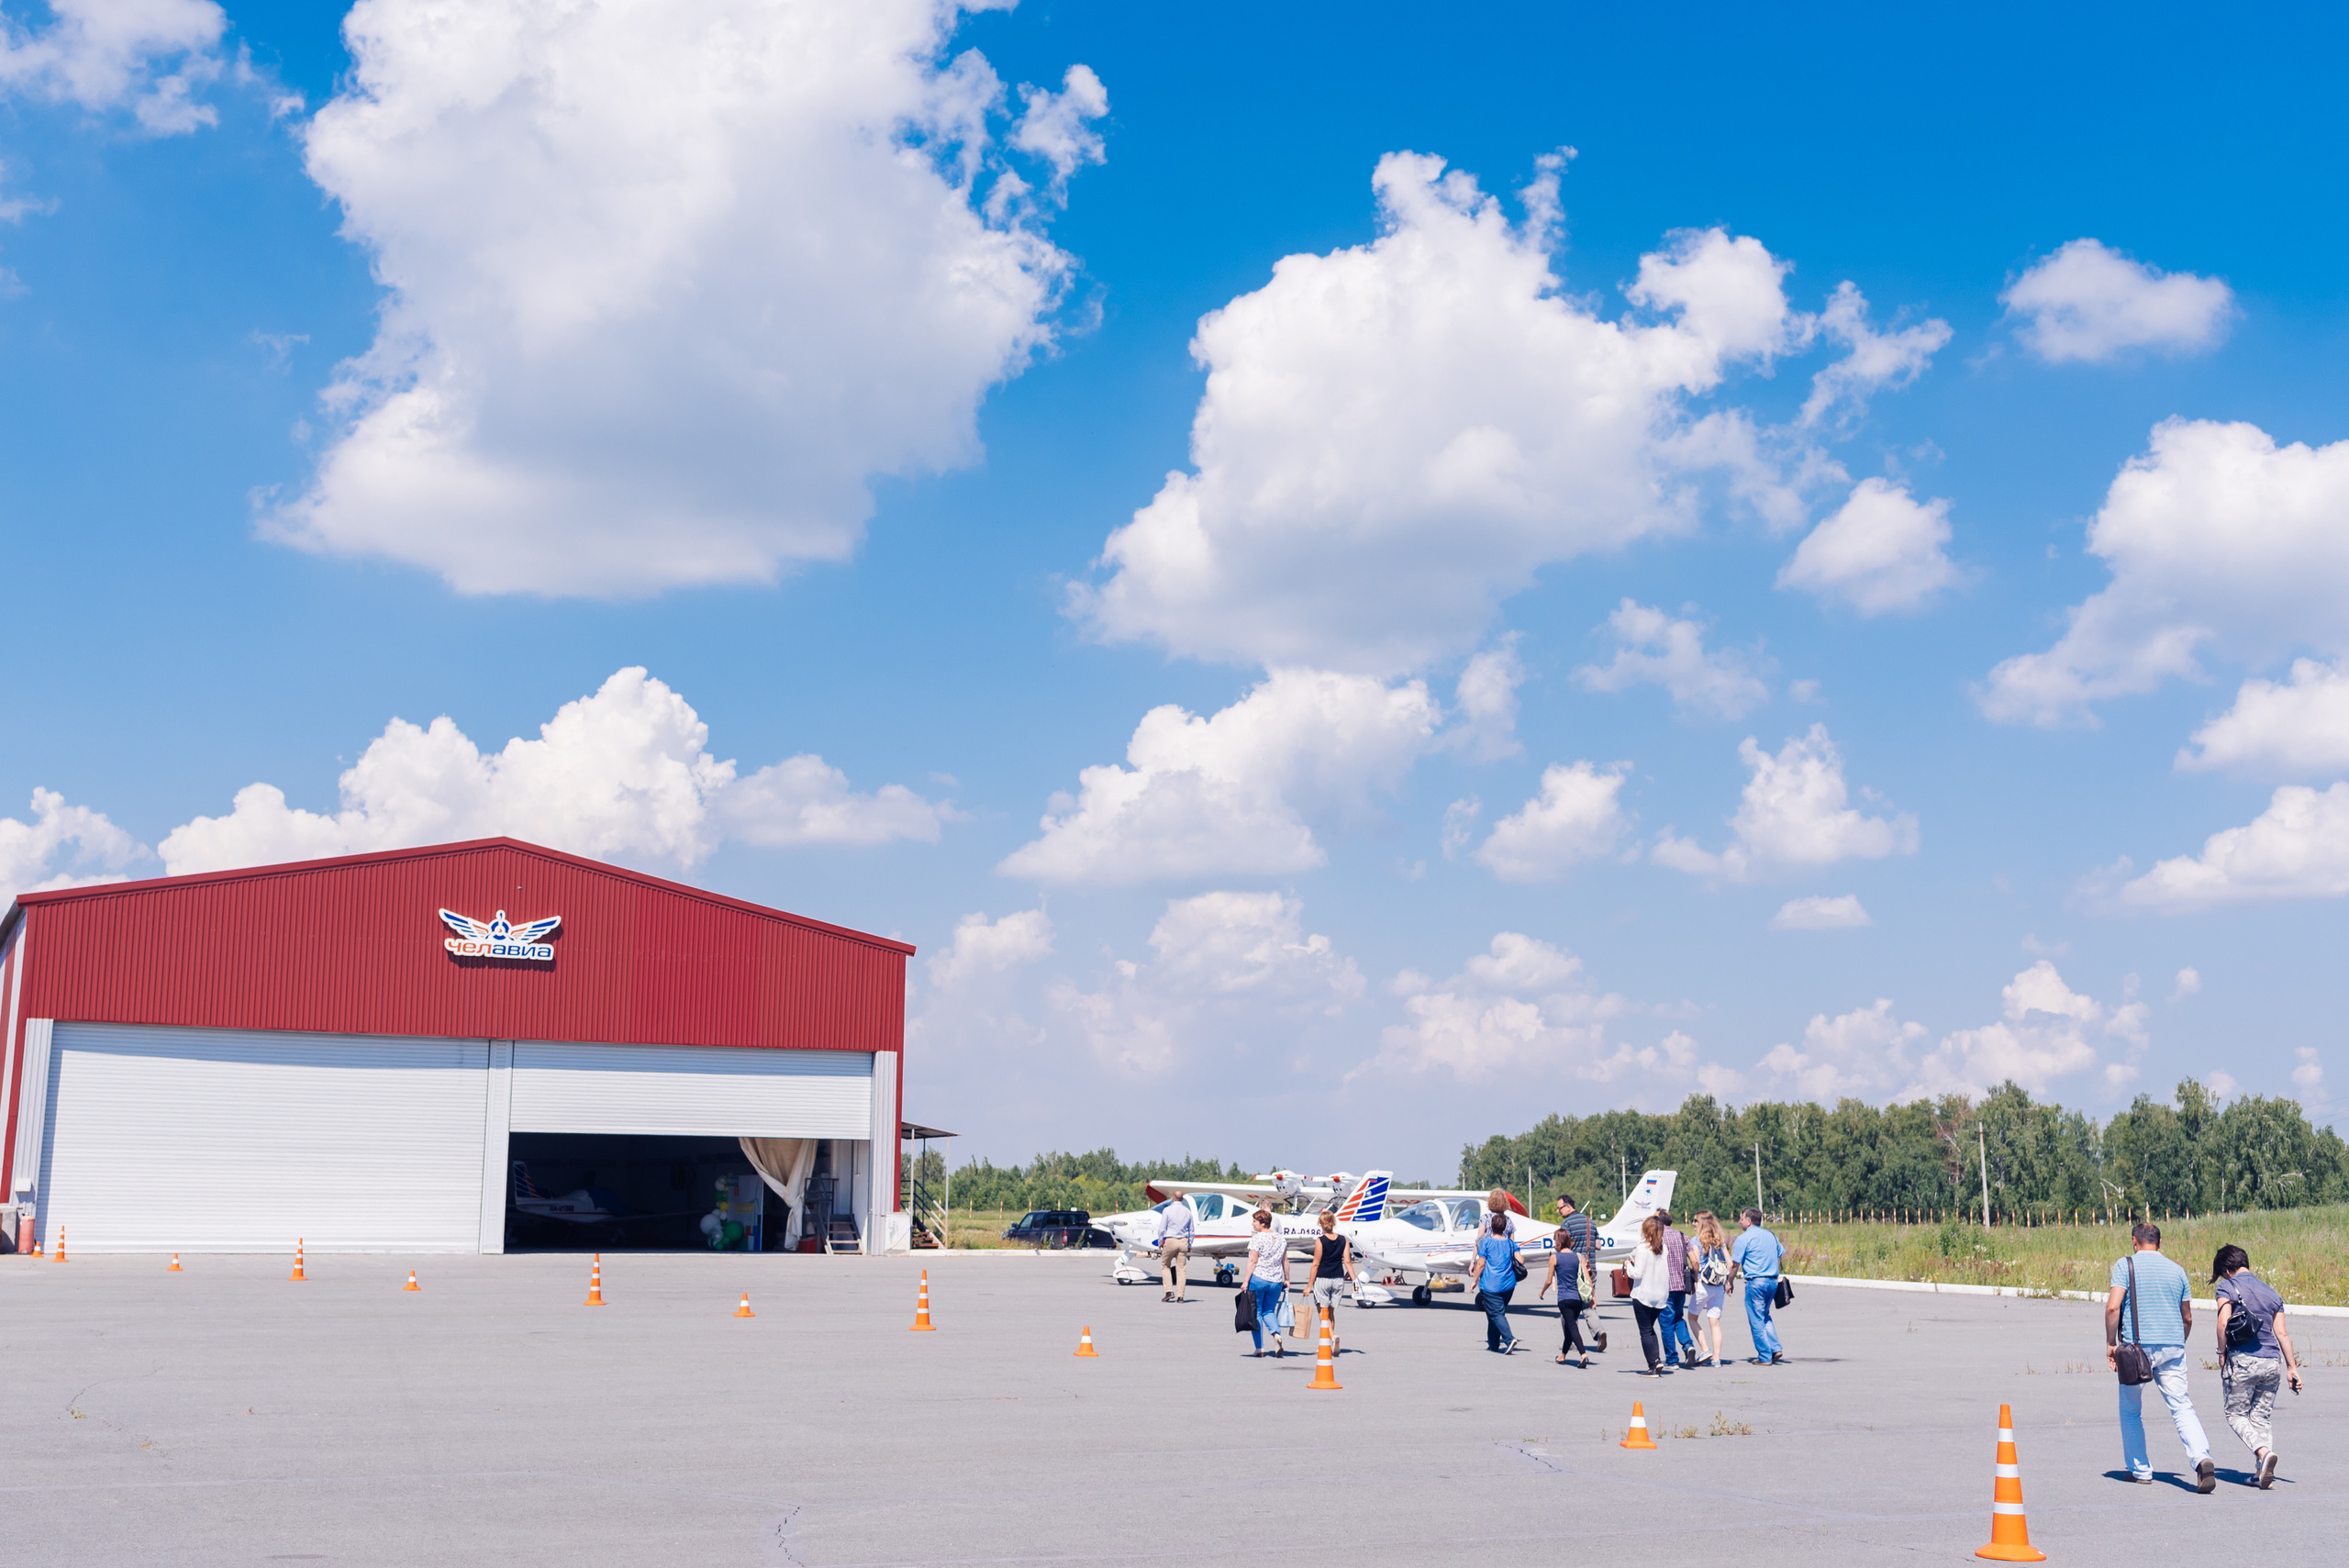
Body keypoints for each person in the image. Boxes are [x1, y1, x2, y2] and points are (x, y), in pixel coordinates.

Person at [2104, 1222, 2213, 1491]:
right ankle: (2202, 1459)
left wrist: (2111, 1344)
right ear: (2160, 1243)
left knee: (2130, 1410)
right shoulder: (2178, 1271)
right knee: (2181, 1406)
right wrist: (2178, 1340)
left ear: (2134, 1241)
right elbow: (2187, 1317)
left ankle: (2141, 1470)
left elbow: (2113, 1307)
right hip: (2173, 1346)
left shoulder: (2124, 1265)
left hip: (2135, 1349)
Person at [2212, 1242, 2300, 1490]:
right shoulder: (2271, 1292)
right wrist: (2292, 1368)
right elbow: (2282, 1334)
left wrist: (2221, 1354)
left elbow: (2223, 1324)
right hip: (2272, 1362)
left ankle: (2263, 1453)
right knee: (2261, 1416)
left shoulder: (2227, 1286)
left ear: (2226, 1269)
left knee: (2235, 1414)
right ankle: (2260, 1473)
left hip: (2243, 1361)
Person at [1730, 1207, 1786, 1365]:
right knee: (1764, 1315)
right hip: (1772, 1281)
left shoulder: (1744, 1238)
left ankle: (1765, 1356)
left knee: (1756, 1319)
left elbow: (1735, 1264)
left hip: (1756, 1283)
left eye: (1742, 1218)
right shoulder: (1771, 1236)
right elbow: (1779, 1254)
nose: (1740, 1221)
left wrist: (1730, 1282)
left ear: (1748, 1221)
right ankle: (1775, 1347)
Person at [1552, 1195, 1606, 1354]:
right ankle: (1599, 1331)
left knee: (1568, 1309)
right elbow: (1598, 1245)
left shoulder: (1567, 1223)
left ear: (1568, 1207)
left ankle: (1572, 1343)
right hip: (1591, 1270)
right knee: (1588, 1305)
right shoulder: (1591, 1222)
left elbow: (1563, 1245)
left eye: (1559, 1208)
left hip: (1573, 1270)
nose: (1558, 1211)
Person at [1538, 1207, 1590, 1366]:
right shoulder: (1578, 1256)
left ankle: (1583, 1355)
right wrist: (1592, 1296)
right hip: (1578, 1299)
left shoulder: (1554, 1258)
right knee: (1569, 1326)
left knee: (1572, 1326)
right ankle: (1562, 1356)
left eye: (1555, 1240)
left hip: (1564, 1299)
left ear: (1559, 1242)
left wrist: (1542, 1292)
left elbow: (1548, 1280)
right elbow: (1586, 1277)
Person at [1625, 1215, 1672, 1374]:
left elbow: (1637, 1274)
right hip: (1661, 1296)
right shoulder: (1664, 1248)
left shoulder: (1642, 1248)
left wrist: (1627, 1266)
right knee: (1650, 1328)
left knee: (1645, 1331)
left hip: (1643, 1294)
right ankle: (1656, 1360)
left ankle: (1652, 1365)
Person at [1306, 1210, 1357, 1355]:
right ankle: (1328, 1342)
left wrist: (1309, 1286)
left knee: (1323, 1314)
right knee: (1330, 1313)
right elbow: (1347, 1261)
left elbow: (1315, 1264)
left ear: (1321, 1224)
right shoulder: (1343, 1240)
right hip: (1338, 1280)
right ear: (1333, 1223)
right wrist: (1354, 1280)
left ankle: (1331, 1338)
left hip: (1322, 1279)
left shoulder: (1320, 1241)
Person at [1242, 1209, 1291, 1357]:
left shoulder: (1257, 1238)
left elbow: (1253, 1261)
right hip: (1276, 1280)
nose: (1253, 1224)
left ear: (1263, 1223)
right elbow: (1285, 1261)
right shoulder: (1281, 1238)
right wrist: (1287, 1279)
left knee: (1256, 1312)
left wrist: (1245, 1281)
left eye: (1255, 1221)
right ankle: (1276, 1334)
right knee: (1269, 1310)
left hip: (1259, 1278)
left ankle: (1259, 1348)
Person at [1474, 1211, 1522, 1353]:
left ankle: (1509, 1339)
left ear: (1491, 1226)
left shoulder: (1486, 1242)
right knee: (1493, 1313)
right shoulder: (1510, 1243)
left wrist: (1474, 1280)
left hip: (1490, 1285)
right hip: (1508, 1285)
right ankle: (1493, 1345)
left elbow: (1481, 1264)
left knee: (1496, 1314)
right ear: (1505, 1227)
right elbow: (1521, 1260)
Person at [1690, 1211, 1731, 1367]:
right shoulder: (1720, 1241)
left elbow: (1696, 1263)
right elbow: (1729, 1263)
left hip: (1702, 1284)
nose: (1693, 1223)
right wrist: (1726, 1282)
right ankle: (1717, 1359)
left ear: (1701, 1223)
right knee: (1715, 1324)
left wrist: (1694, 1281)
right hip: (1718, 1286)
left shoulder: (1696, 1241)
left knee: (1692, 1318)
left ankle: (1705, 1349)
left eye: (1695, 1221)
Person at [1656, 1208, 1697, 1370]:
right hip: (1681, 1285)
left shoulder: (1657, 1237)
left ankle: (1672, 1359)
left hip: (1664, 1286)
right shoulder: (1682, 1236)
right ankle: (1688, 1345)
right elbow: (1694, 1260)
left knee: (1666, 1322)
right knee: (1678, 1318)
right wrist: (1695, 1279)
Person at [1154, 1195, 1194, 1303]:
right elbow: (1192, 1230)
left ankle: (1169, 1291)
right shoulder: (1188, 1211)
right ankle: (1180, 1296)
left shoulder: (1167, 1210)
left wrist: (1160, 1242)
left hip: (1171, 1240)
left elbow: (1162, 1228)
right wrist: (1190, 1244)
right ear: (1182, 1199)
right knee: (1181, 1269)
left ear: (1173, 1198)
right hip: (1183, 1241)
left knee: (1165, 1265)